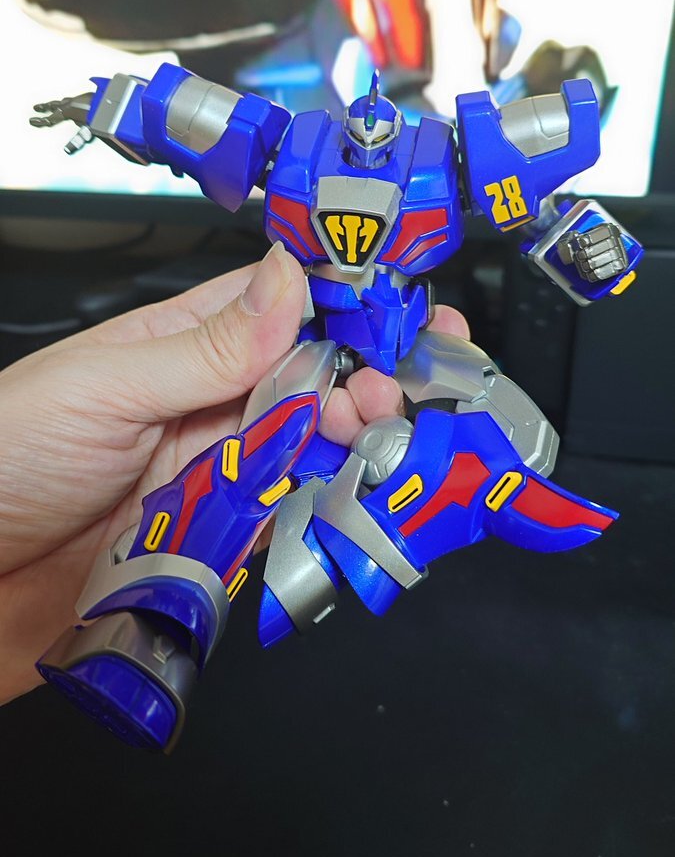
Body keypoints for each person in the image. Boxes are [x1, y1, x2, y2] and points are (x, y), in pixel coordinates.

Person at [0, 244, 469, 705]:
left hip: (375, 346)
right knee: (259, 462)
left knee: (311, 462)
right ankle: (144, 622)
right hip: (308, 344)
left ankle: (153, 626)